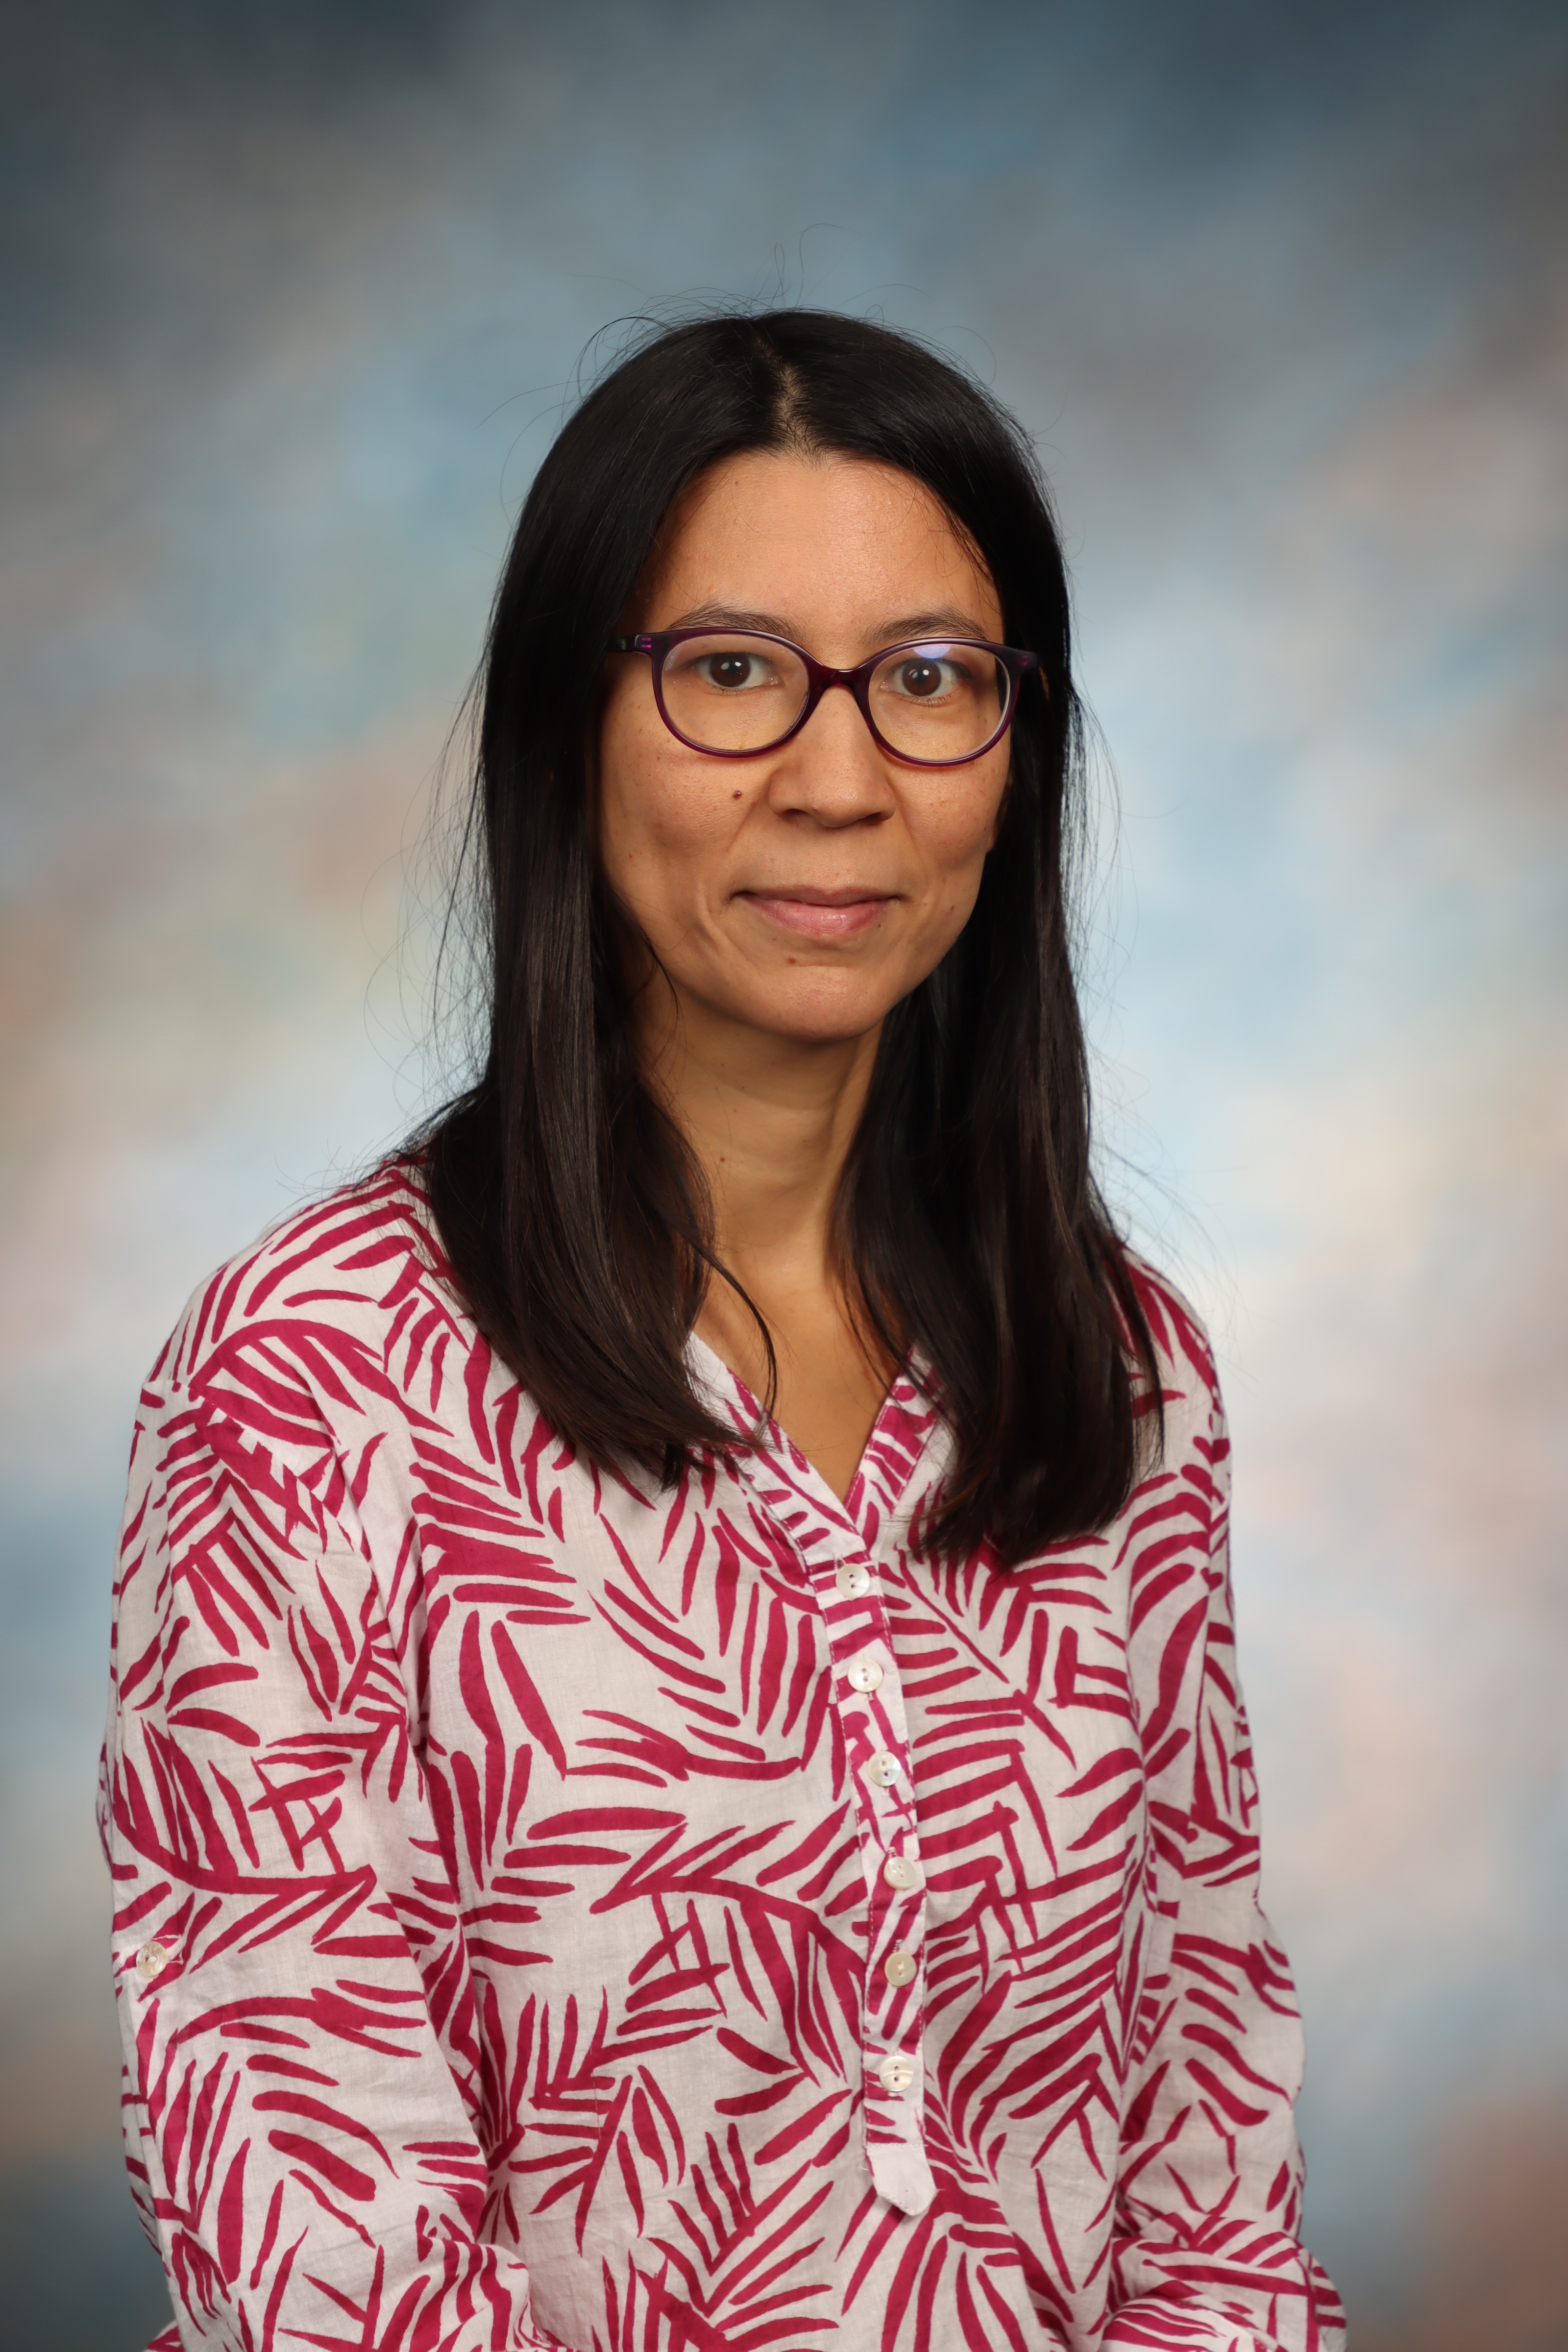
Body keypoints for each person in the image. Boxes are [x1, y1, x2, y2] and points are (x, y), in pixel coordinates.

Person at [100, 310, 1344, 2352]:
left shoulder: (1120, 1373)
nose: (839, 782)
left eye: (930, 679)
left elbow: (1207, 2187)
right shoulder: (308, 1382)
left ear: (1019, 750)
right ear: (565, 727)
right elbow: (328, 2257)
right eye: (734, 672)